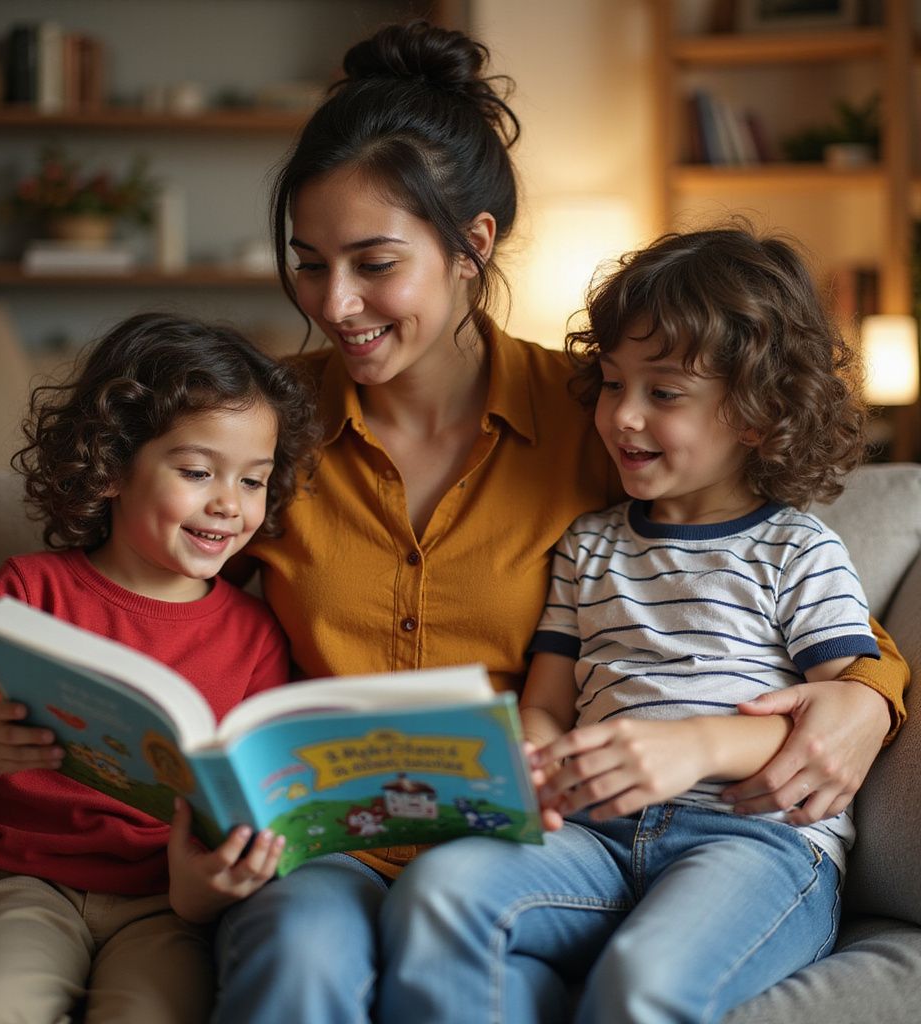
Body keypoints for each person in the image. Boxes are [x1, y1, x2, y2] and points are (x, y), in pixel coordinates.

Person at [212, 21, 908, 1024]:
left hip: (534, 838)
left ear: (471, 246)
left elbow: (766, 572)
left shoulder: (596, 419)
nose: (334, 303)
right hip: (339, 841)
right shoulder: (265, 425)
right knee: (302, 957)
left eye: (372, 263)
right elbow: (166, 582)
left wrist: (865, 702)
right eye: (309, 263)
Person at [375, 226, 887, 1023]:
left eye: (665, 393)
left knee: (644, 980)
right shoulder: (590, 544)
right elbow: (546, 701)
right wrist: (538, 751)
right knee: (439, 890)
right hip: (594, 837)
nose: (623, 416)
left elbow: (828, 719)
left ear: (756, 414)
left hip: (753, 843)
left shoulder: (798, 548)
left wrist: (693, 748)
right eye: (613, 384)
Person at [0, 312, 319, 1024]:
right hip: (21, 881)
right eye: (197, 472)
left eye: (253, 480)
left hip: (167, 902)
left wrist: (213, 877)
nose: (229, 503)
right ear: (113, 463)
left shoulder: (254, 631)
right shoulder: (34, 590)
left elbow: (251, 784)